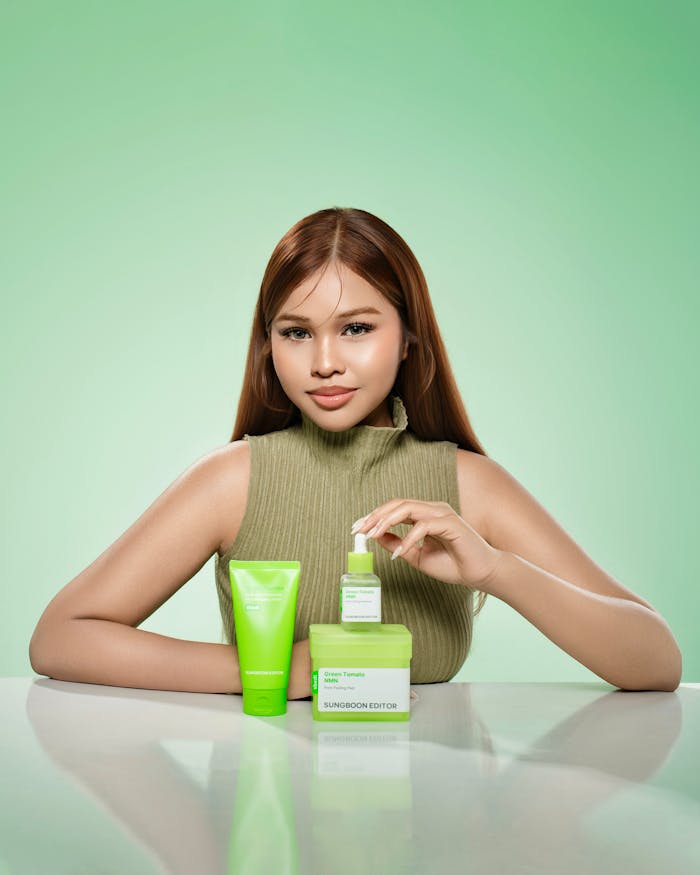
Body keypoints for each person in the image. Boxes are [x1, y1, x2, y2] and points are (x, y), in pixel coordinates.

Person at [29, 207, 682, 696]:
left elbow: (657, 662)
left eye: (357, 328)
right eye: (296, 332)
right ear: (268, 346)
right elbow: (59, 637)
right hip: (267, 797)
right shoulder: (232, 481)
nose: (325, 362)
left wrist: (494, 571)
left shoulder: (469, 485)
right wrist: (276, 671)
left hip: (436, 811)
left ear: (408, 338)